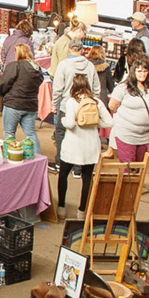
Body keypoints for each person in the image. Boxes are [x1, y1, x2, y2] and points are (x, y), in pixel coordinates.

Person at [57, 73, 112, 215]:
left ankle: (61, 207)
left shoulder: (71, 102)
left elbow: (70, 124)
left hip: (72, 145)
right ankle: (82, 211)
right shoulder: (96, 102)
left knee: (63, 175)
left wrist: (63, 120)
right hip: (91, 146)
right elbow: (109, 122)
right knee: (87, 178)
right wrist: (94, 122)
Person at [51, 36, 97, 167]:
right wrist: (93, 103)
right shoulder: (90, 66)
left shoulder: (63, 65)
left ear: (69, 50)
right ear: (82, 50)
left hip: (67, 105)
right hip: (85, 106)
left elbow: (57, 88)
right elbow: (96, 88)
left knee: (60, 132)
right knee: (82, 135)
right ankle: (79, 166)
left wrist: (54, 104)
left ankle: (61, 162)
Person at [109, 56, 149, 162]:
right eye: (139, 71)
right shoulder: (123, 88)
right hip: (126, 134)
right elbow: (112, 106)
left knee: (139, 166)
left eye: (145, 71)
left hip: (144, 136)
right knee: (128, 166)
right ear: (133, 72)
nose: (142, 74)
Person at [0, 43, 42, 156]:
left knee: (9, 133)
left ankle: (9, 158)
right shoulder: (37, 68)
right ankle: (38, 159)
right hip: (30, 105)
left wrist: (2, 93)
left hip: (13, 104)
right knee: (31, 134)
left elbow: (4, 83)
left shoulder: (15, 66)